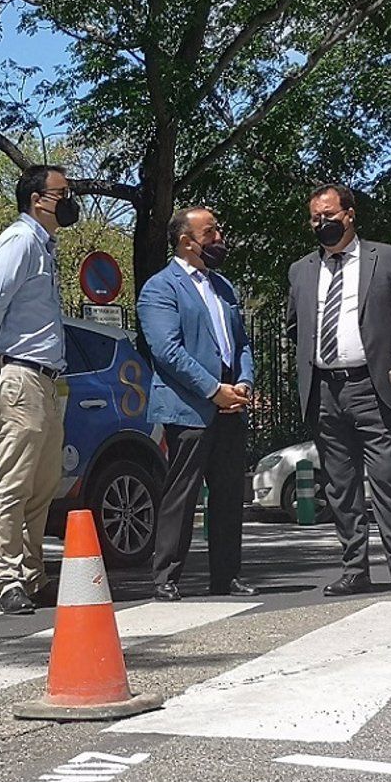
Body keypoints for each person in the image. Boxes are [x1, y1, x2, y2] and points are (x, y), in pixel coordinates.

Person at [285, 183, 391, 597]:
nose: (322, 223)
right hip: (324, 390)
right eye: (315, 218)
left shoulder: (388, 259)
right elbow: (295, 326)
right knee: (340, 486)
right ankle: (354, 569)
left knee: (387, 479)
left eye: (329, 215)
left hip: (373, 386)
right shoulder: (301, 270)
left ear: (349, 214)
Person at [0, 164, 77, 615]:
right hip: (20, 377)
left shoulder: (44, 246)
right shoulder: (20, 241)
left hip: (45, 379)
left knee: (41, 484)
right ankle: (6, 578)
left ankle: (33, 575)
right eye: (62, 193)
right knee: (12, 482)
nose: (69, 201)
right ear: (37, 200)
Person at [139, 206, 257, 600]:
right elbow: (167, 351)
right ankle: (167, 576)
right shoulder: (161, 288)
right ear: (186, 242)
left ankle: (227, 574)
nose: (219, 238)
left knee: (228, 492)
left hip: (231, 403)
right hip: (189, 407)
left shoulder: (223, 286)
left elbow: (241, 343)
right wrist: (212, 389)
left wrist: (243, 382)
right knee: (183, 492)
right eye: (211, 233)